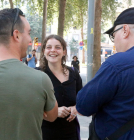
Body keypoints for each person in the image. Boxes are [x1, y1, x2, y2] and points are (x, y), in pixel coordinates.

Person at [0, 8, 58, 140]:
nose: (30, 39)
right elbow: (52, 116)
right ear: (16, 35)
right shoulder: (40, 79)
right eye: (28, 33)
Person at [76, 7, 134, 140]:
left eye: (113, 35)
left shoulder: (118, 63)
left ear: (125, 30)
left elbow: (83, 105)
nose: (114, 41)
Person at [37, 34, 82, 140]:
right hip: (45, 134)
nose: (53, 50)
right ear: (44, 51)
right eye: (49, 47)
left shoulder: (74, 73)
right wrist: (54, 113)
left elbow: (82, 100)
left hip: (71, 134)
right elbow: (29, 107)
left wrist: (76, 108)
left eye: (57, 47)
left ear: (64, 51)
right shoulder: (36, 74)